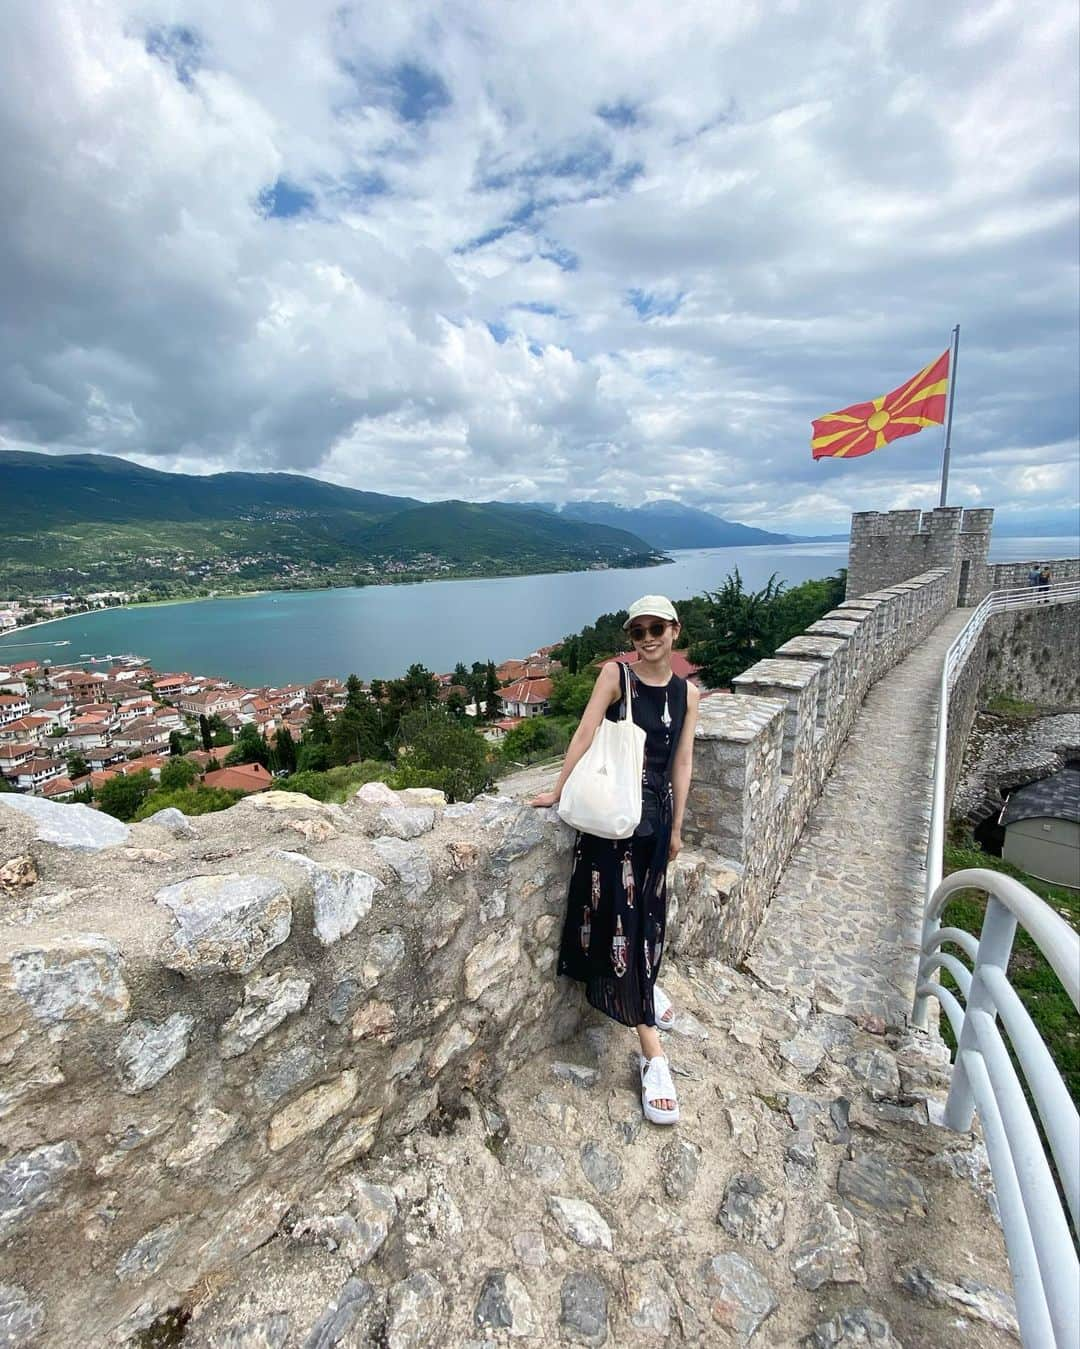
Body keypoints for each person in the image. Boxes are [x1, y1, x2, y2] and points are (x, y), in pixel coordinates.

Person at [530, 595, 700, 1125]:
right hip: (614, 824)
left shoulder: (687, 694)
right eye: (637, 631)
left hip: (653, 826)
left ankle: (644, 978)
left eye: (656, 629)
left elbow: (683, 761)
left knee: (646, 914)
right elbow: (584, 732)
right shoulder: (615, 677)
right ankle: (653, 1057)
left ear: (674, 631)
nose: (647, 638)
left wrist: (676, 828)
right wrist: (557, 790)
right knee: (623, 917)